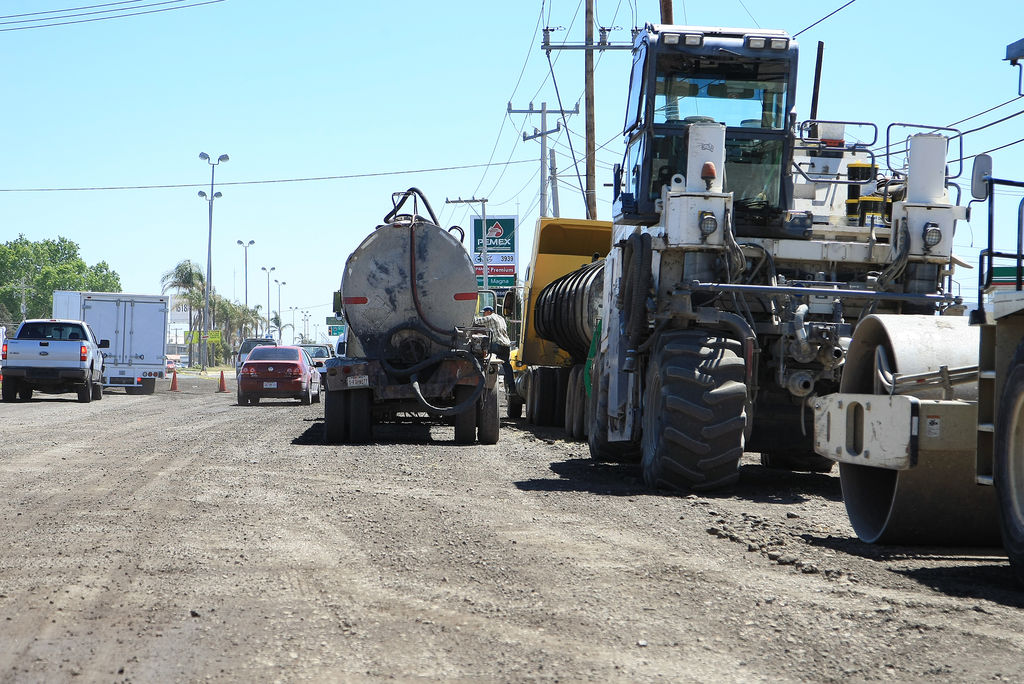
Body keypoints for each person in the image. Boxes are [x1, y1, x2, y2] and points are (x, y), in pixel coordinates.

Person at [476, 305, 516, 395]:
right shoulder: (501, 318)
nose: (484, 315)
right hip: (506, 345)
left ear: (489, 312)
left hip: (497, 345)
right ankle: (512, 388)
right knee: (506, 365)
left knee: (479, 350)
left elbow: (476, 321)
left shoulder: (490, 318)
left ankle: (479, 374)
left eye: (484, 313)